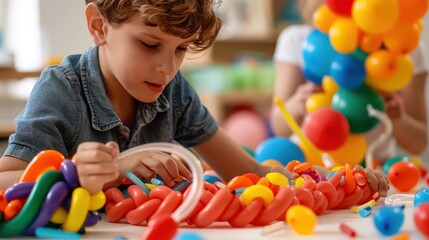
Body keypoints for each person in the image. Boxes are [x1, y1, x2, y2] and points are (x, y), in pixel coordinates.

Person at [0, 0, 389, 197]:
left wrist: (338, 180)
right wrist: (79, 174)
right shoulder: (62, 88)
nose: (166, 68)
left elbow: (246, 170)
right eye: (150, 44)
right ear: (99, 26)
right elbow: (4, 182)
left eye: (181, 49)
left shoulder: (173, 90)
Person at [270, 0, 428, 163]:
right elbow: (278, 126)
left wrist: (396, 117)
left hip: (375, 169)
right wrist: (299, 103)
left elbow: (419, 143)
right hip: (309, 166)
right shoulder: (296, 39)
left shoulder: (405, 46)